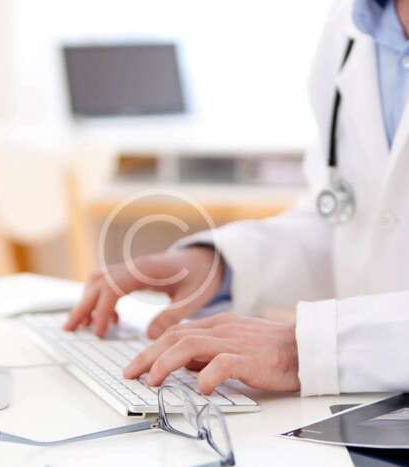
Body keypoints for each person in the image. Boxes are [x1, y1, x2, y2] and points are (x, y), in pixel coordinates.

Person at [65, 0, 409, 397]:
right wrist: (220, 265)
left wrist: (307, 348)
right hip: (375, 404)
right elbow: (349, 221)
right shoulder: (351, 25)